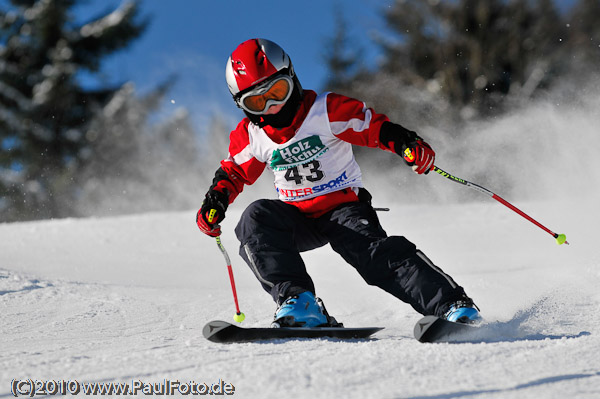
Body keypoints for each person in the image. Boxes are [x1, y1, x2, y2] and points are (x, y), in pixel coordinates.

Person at [196, 38, 480, 327]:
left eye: (278, 92)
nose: (272, 107)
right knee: (255, 218)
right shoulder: (251, 135)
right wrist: (215, 201)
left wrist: (405, 143)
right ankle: (299, 302)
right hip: (298, 217)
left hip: (344, 209)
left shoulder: (325, 110)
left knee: (371, 255)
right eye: (257, 102)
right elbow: (233, 172)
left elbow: (372, 126)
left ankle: (451, 304)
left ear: (292, 78)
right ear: (243, 106)